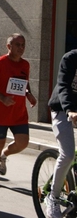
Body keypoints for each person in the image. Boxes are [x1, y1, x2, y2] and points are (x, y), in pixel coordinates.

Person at [0, 33, 37, 186]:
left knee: (23, 142)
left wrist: (29, 94)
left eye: (23, 45)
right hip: (0, 111)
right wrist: (3, 98)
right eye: (17, 45)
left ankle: (4, 156)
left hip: (18, 111)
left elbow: (24, 83)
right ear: (9, 46)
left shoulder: (25, 64)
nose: (21, 48)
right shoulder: (0, 63)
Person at [45, 49, 77, 218]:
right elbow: (63, 85)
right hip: (62, 109)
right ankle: (53, 198)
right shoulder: (70, 58)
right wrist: (70, 110)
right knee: (68, 154)